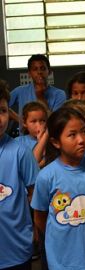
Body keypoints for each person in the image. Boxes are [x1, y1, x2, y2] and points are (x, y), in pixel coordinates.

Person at [31, 107, 85, 270]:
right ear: (56, 142)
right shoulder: (46, 176)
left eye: (84, 132)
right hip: (62, 261)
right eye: (72, 135)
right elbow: (40, 217)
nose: (82, 140)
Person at [0, 79, 40, 269]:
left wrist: (36, 230)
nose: (0, 118)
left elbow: (36, 194)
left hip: (16, 250)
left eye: (2, 111)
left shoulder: (20, 152)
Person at [9, 54, 66, 125]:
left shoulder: (59, 94)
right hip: (25, 135)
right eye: (35, 69)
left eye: (43, 68)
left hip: (50, 135)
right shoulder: (20, 91)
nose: (39, 72)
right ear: (29, 73)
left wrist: (40, 97)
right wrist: (20, 120)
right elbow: (3, 105)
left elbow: (55, 121)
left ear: (49, 72)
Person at [15, 101, 49, 167]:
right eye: (33, 121)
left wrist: (42, 140)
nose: (38, 125)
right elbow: (30, 164)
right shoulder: (18, 142)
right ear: (24, 123)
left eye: (42, 120)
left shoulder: (51, 140)